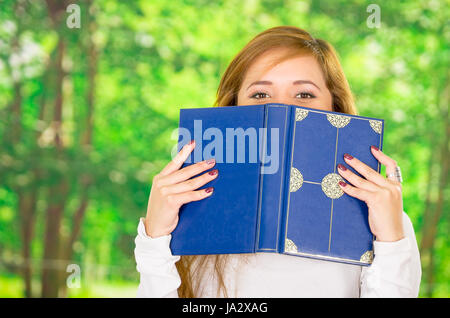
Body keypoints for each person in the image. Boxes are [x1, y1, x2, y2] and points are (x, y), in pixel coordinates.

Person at [134, 26, 422, 297]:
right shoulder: (189, 212)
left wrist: (391, 241)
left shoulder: (380, 219)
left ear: (335, 107)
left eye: (304, 94)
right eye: (260, 94)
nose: (282, 109)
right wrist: (155, 239)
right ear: (233, 107)